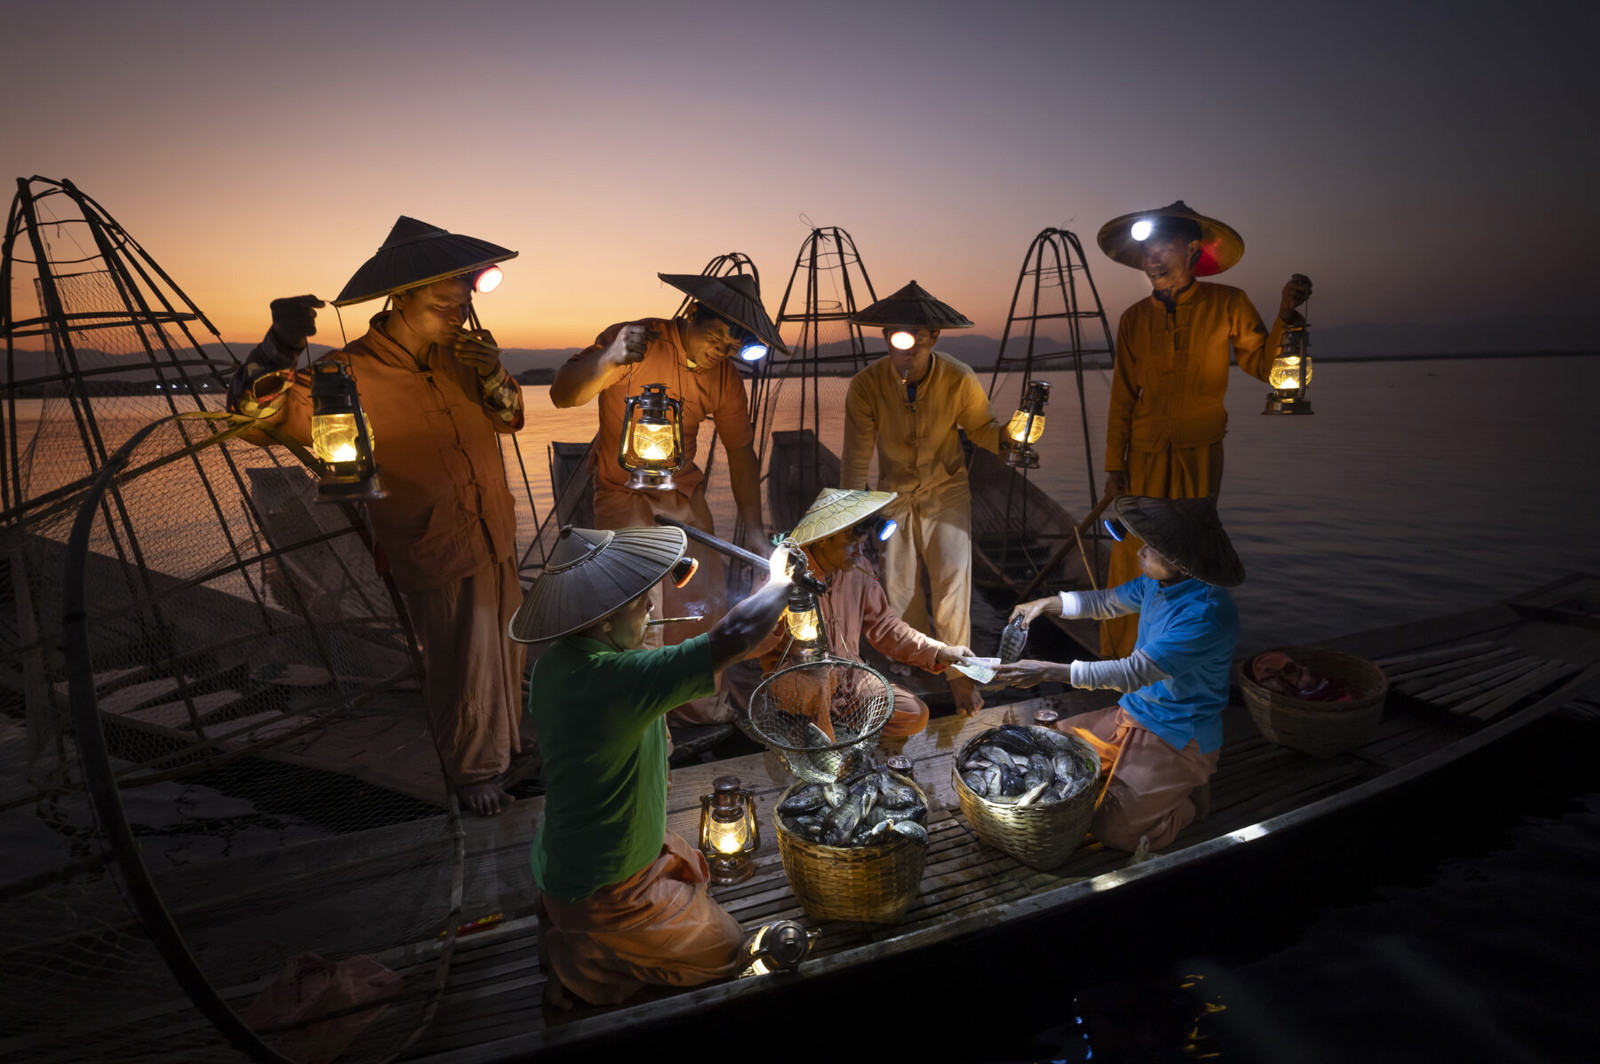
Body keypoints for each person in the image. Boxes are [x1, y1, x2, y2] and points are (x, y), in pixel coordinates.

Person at [228, 216, 525, 817]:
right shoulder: (346, 372)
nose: (456, 312)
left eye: (462, 301)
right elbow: (248, 421)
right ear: (403, 296)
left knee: (503, 650)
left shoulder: (464, 356)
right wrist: (282, 345)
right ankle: (470, 772)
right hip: (433, 538)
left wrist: (493, 369)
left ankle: (502, 753)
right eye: (443, 302)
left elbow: (511, 418)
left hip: (495, 530)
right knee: (458, 661)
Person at [508, 524, 793, 1007]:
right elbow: (736, 633)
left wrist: (737, 645)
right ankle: (584, 959)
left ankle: (590, 936)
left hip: (571, 854)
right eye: (640, 603)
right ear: (600, 620)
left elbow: (704, 654)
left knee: (689, 870)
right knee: (729, 947)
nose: (652, 609)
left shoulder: (560, 662)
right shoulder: (614, 681)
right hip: (605, 888)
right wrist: (780, 581)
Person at [549, 273, 786, 724]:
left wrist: (754, 530)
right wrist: (609, 358)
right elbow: (564, 394)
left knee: (704, 600)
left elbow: (741, 452)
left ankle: (700, 709)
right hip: (623, 494)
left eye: (731, 345)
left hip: (683, 494)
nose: (720, 349)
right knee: (637, 610)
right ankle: (644, 715)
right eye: (714, 335)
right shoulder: (637, 342)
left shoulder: (724, 377)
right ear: (691, 313)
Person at [1095, 201, 1309, 657]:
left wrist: (1287, 318)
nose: (1153, 257)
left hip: (1199, 453)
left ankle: (1178, 659)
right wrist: (1115, 465)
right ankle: (1120, 663)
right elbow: (1122, 397)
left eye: (1164, 245)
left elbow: (1268, 366)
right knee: (1131, 558)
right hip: (1144, 456)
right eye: (1148, 247)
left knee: (1188, 559)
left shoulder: (1227, 303)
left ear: (1192, 250)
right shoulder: (1134, 318)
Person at [993, 494, 1244, 853]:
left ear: (1180, 561)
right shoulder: (1159, 583)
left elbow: (1133, 672)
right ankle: (1162, 781)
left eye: (1152, 548)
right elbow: (1106, 602)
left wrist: (1048, 670)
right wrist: (1046, 603)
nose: (1140, 550)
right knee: (1046, 752)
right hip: (1132, 713)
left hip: (1176, 732)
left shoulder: (1206, 616)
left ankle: (1187, 800)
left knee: (1114, 832)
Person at [839, 281, 1004, 715]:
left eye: (917, 337)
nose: (906, 347)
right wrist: (849, 520)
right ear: (885, 337)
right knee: (898, 584)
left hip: (946, 492)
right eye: (897, 337)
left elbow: (984, 428)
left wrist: (1011, 440)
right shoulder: (865, 386)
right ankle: (916, 660)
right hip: (894, 496)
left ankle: (960, 674)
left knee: (952, 582)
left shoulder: (959, 378)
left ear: (933, 338)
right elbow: (856, 459)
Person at [756, 488, 979, 742]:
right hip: (798, 678)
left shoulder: (857, 568)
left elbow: (885, 626)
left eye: (861, 545)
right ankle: (824, 736)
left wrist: (939, 651)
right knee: (819, 685)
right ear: (823, 539)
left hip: (850, 673)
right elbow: (753, 643)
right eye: (849, 544)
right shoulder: (782, 573)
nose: (857, 554)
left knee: (913, 713)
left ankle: (835, 723)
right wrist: (776, 605)